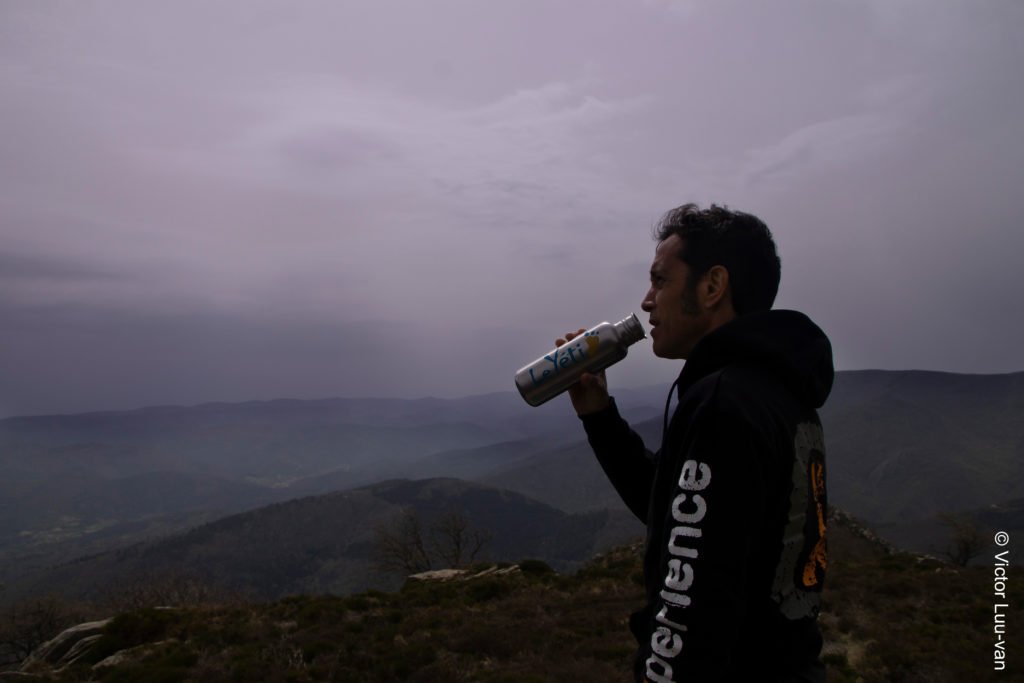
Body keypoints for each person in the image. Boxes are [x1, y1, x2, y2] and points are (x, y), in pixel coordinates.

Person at [558, 203, 833, 683]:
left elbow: (694, 605)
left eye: (660, 280)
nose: (646, 301)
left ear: (711, 287)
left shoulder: (724, 403)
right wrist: (598, 415)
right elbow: (674, 511)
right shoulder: (783, 393)